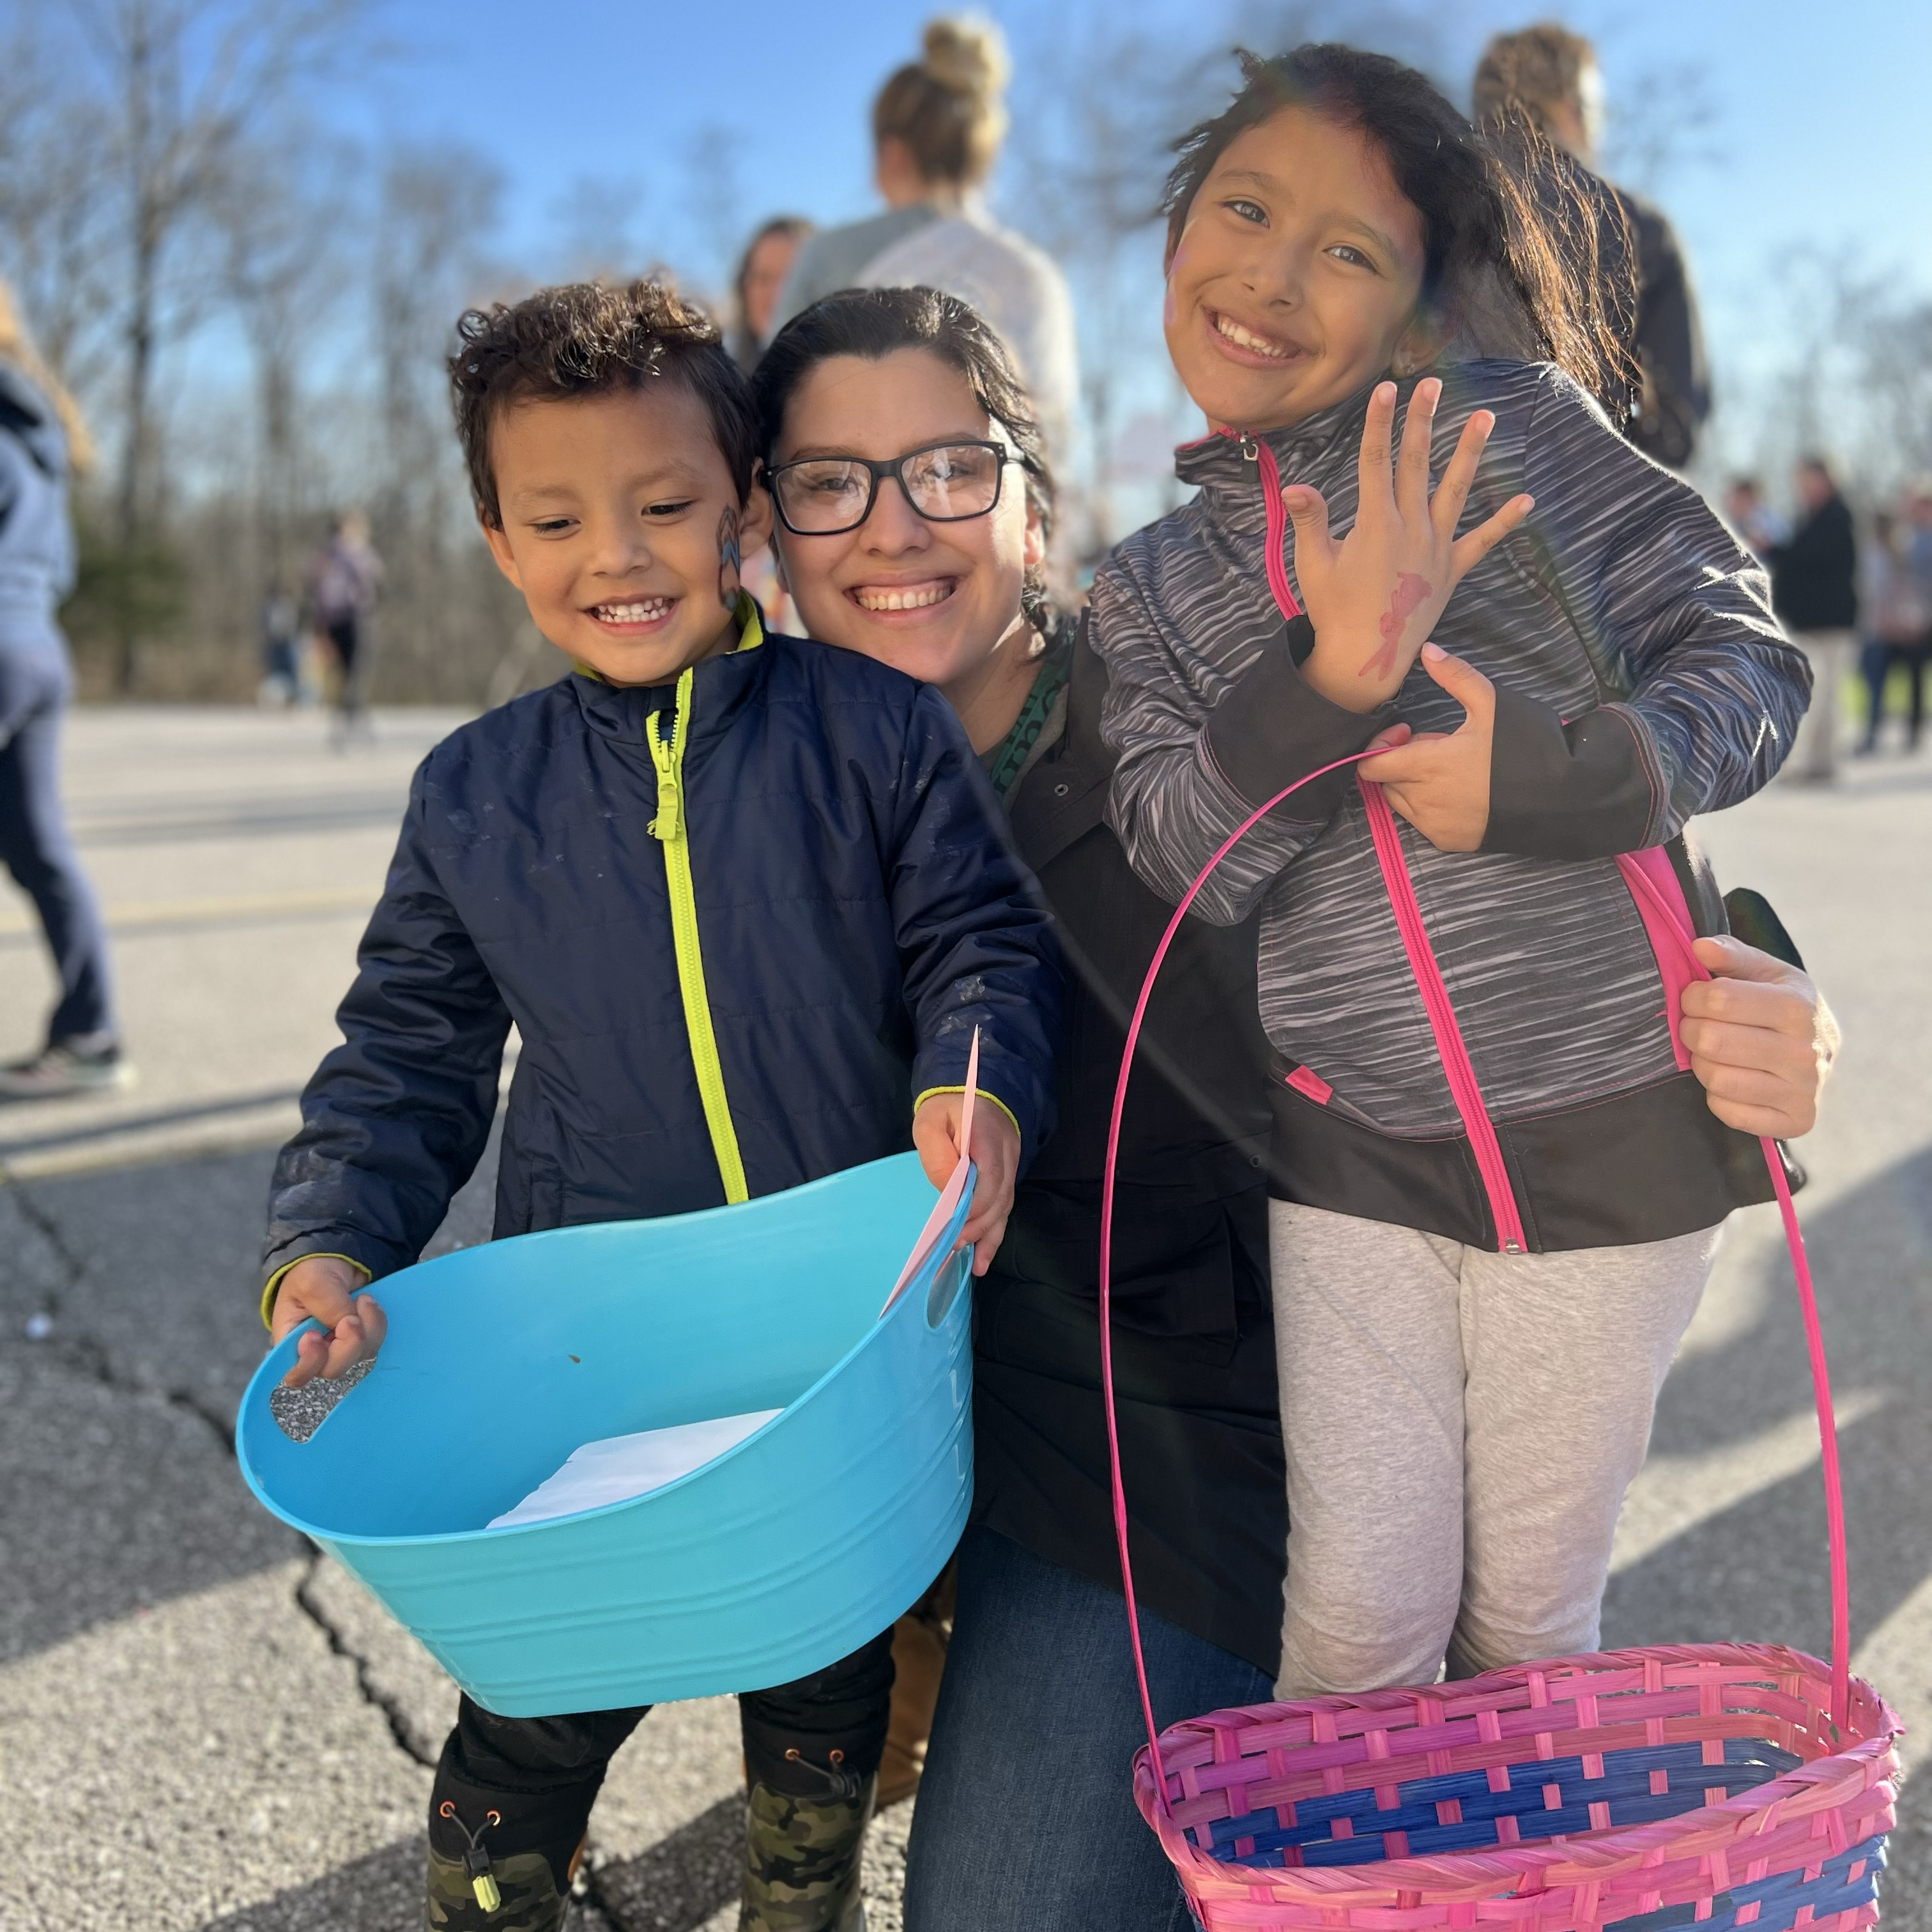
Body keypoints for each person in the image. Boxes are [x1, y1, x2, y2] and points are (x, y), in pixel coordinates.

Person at [751, 284, 1839, 1931]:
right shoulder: (763, 777)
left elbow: (1521, 887)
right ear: (770, 525)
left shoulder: (1183, 693)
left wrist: (1765, 996)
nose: (896, 527)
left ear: (1036, 506)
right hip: (910, 1439)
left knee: (1013, 1911)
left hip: (1175, 1440)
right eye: (833, 480)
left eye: (951, 470)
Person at [257, 280, 1057, 1932]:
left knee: (822, 1699)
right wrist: (328, 1240)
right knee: (540, 1703)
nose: (614, 555)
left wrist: (970, 1086)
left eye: (666, 505)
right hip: (590, 1348)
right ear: (492, 536)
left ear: (746, 511)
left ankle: (797, 1906)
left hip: (830, 1339)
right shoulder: (477, 793)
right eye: (554, 517)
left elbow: (980, 945)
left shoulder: (874, 732)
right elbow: (405, 1052)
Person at [1092, 46, 1811, 1712]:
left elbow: (1749, 663)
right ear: (1178, 231)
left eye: (1348, 249)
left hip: (1617, 1135)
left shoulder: (1523, 434)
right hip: (1354, 1171)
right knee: (1353, 1632)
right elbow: (1181, 864)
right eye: (1245, 209)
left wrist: (1554, 781)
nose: (1272, 272)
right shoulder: (1147, 585)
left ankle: (1505, 1887)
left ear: (1419, 288)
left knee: (1528, 1628)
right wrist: (1325, 684)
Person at [773, 17, 1079, 469]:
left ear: (891, 152)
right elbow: (1054, 447)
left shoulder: (828, 258)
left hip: (850, 526)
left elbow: (770, 421)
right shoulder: (1033, 276)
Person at [0, 282, 130, 1102]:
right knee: (38, 848)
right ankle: (91, 1033)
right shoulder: (36, 428)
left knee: (40, 849)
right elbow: (63, 567)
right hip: (37, 646)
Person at [1473, 22, 1710, 470]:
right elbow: (1679, 432)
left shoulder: (1419, 215)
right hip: (1593, 520)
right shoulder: (1642, 231)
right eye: (1597, 112)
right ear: (1570, 109)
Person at [1765, 457, 1858, 781]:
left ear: (1824, 480)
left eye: (1807, 482)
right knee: (1815, 695)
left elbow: (1813, 562)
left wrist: (1781, 553)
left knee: (1825, 696)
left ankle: (1820, 763)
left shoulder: (1838, 517)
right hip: (1812, 621)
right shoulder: (1812, 517)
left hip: (1830, 622)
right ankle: (1814, 763)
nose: (1802, 489)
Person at [304, 507, 382, 737]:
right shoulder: (357, 553)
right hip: (355, 618)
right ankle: (351, 719)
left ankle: (349, 718)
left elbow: (314, 589)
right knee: (356, 672)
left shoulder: (323, 556)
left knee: (345, 673)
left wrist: (319, 625)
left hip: (331, 621)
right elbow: (374, 578)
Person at [726, 215, 814, 372]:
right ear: (744, 290)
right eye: (763, 278)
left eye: (792, 279)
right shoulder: (719, 384)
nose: (777, 294)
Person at [1724, 474, 1787, 558]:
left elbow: (1782, 542)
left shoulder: (1766, 518)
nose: (1736, 504)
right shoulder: (1732, 523)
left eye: (1741, 500)